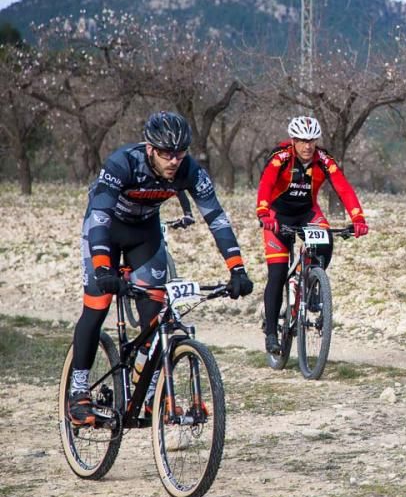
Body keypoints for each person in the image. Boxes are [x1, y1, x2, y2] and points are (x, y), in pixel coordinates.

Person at [67, 111, 254, 426]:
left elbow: (216, 218)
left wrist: (237, 269)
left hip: (145, 234)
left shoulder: (190, 171)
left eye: (180, 153)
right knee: (97, 306)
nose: (174, 160)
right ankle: (78, 391)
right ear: (150, 148)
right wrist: (102, 268)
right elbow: (98, 216)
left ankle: (151, 394)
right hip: (106, 229)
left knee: (155, 321)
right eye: (167, 153)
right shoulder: (122, 163)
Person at [256, 116, 368, 353]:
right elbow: (266, 184)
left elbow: (343, 187)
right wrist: (264, 214)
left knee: (326, 239)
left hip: (307, 212)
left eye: (312, 141)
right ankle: (271, 334)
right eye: (303, 141)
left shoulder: (324, 160)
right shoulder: (281, 158)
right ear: (294, 140)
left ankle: (311, 282)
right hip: (278, 216)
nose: (308, 146)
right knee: (276, 274)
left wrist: (357, 217)